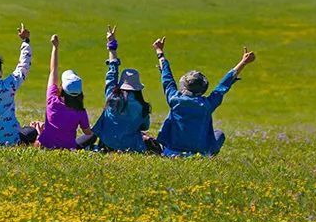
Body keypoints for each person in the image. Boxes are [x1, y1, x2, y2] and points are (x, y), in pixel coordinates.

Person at [152, 37, 255, 156]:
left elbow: (167, 77)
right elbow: (221, 87)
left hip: (171, 151)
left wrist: (159, 51)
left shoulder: (174, 99)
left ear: (183, 85)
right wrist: (243, 63)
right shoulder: (207, 105)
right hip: (198, 154)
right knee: (219, 134)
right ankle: (207, 156)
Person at [82, 25, 153, 153]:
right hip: (131, 147)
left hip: (106, 144)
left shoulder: (112, 96)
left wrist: (112, 45)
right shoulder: (143, 107)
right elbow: (145, 126)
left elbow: (112, 72)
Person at [33, 34, 90, 150]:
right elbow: (87, 132)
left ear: (62, 88)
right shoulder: (80, 111)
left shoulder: (52, 99)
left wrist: (55, 47)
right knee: (92, 137)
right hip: (68, 147)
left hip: (45, 144)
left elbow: (53, 70)